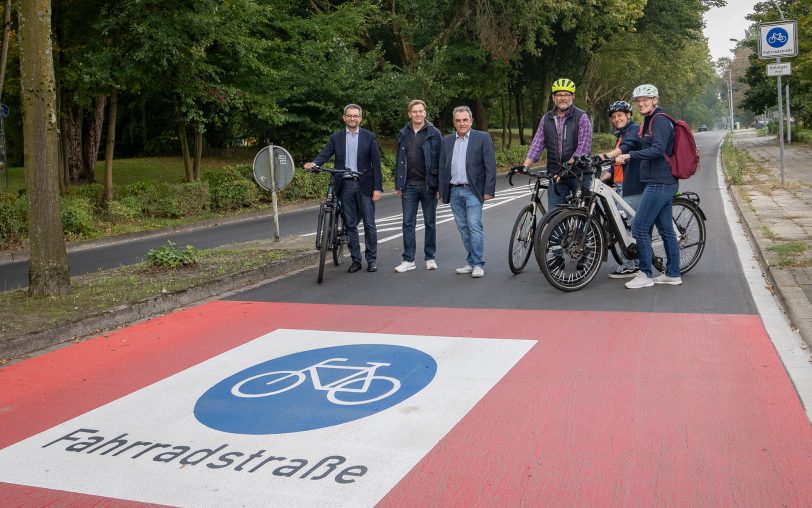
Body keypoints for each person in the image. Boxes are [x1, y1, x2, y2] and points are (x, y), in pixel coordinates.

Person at [615, 84, 681, 289]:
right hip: (659, 181)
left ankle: (644, 273)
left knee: (639, 227)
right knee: (665, 228)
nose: (641, 103)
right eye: (638, 100)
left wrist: (630, 155)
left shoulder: (659, 120)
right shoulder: (650, 119)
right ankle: (672, 273)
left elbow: (659, 150)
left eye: (646, 99)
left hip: (660, 182)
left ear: (655, 100)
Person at [304, 104, 382, 273]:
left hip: (365, 185)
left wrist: (377, 188)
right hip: (345, 184)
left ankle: (371, 260)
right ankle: (356, 260)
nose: (352, 118)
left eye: (355, 116)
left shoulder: (369, 137)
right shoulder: (336, 137)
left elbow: (376, 164)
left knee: (369, 224)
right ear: (344, 117)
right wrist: (315, 163)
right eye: (349, 115)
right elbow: (325, 154)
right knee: (350, 224)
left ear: (360, 118)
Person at [438, 105, 496, 278]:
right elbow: (442, 167)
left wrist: (489, 189)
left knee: (474, 226)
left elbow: (490, 166)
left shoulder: (482, 138)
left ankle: (478, 264)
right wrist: (442, 190)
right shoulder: (447, 140)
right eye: (458, 120)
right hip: (454, 191)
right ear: (454, 123)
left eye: (465, 120)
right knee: (463, 228)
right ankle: (471, 262)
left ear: (471, 121)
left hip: (474, 191)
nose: (462, 123)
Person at [522, 78, 593, 210]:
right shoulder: (547, 118)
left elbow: (584, 147)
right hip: (556, 176)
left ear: (573, 97)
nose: (563, 98)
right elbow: (537, 144)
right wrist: (525, 166)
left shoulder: (581, 117)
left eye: (567, 94)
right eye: (559, 95)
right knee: (553, 217)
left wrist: (568, 165)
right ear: (553, 98)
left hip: (580, 174)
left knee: (582, 214)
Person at [393, 100, 442, 273]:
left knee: (430, 223)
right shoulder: (403, 133)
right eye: (414, 111)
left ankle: (430, 257)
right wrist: (399, 183)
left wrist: (439, 187)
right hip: (409, 186)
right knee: (408, 223)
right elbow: (399, 159)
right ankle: (408, 260)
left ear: (425, 113)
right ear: (409, 114)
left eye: (421, 111)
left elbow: (440, 161)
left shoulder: (434, 133)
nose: (418, 114)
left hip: (429, 185)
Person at [598, 100, 643, 278]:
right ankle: (636, 262)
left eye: (620, 116)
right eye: (614, 117)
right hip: (619, 185)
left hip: (632, 185)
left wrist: (604, 155)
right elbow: (615, 165)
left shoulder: (634, 130)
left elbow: (626, 148)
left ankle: (632, 265)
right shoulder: (621, 134)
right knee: (623, 224)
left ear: (628, 115)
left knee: (624, 226)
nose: (616, 119)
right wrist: (602, 177)